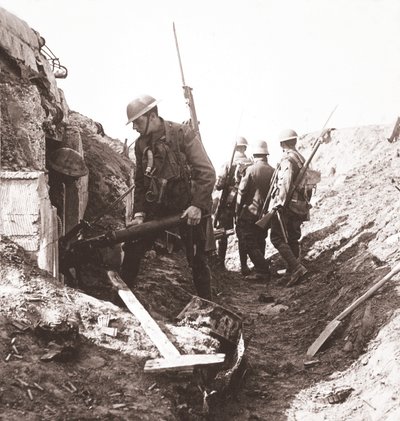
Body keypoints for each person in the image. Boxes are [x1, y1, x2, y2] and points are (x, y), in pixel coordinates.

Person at [120, 94, 216, 300]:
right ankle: (121, 302)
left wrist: (198, 205)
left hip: (188, 208)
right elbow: (139, 181)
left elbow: (207, 172)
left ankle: (208, 306)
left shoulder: (182, 134)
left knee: (198, 260)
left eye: (137, 122)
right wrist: (139, 212)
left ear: (152, 116)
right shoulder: (140, 145)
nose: (134, 128)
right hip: (158, 209)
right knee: (133, 247)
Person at [270, 129, 309, 287]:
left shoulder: (287, 159)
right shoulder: (301, 158)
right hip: (300, 204)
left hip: (288, 206)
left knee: (277, 237)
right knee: (292, 238)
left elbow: (285, 182)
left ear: (281, 144)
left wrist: (279, 203)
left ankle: (296, 268)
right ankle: (290, 272)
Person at [236, 140, 274, 280]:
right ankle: (260, 268)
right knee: (260, 239)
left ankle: (262, 270)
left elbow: (242, 192)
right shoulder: (273, 170)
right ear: (266, 155)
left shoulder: (250, 170)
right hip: (265, 214)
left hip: (250, 213)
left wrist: (237, 211)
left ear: (255, 154)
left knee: (249, 241)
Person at [214, 136, 252, 271]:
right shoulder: (251, 163)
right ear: (245, 148)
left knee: (223, 232)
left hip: (228, 203)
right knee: (242, 234)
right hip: (244, 203)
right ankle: (244, 265)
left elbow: (219, 185)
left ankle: (220, 263)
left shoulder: (228, 163)